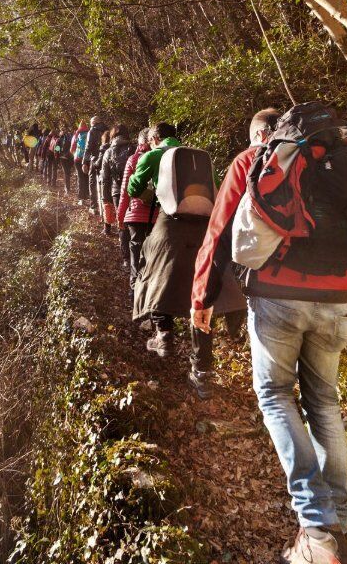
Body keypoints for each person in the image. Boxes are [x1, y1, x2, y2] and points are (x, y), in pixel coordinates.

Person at [191, 106, 347, 564]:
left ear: (264, 133)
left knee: (275, 395)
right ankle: (338, 524)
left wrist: (201, 296)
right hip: (338, 296)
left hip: (278, 295)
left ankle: (315, 527)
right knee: (325, 402)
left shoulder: (255, 159)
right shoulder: (345, 153)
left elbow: (219, 230)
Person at [128, 123, 244, 389]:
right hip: (204, 225)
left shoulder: (153, 154)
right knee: (201, 293)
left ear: (155, 138)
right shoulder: (197, 155)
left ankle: (164, 335)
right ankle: (202, 370)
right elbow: (215, 192)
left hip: (170, 223)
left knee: (154, 274)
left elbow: (134, 188)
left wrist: (156, 198)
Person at [117, 128, 153, 297]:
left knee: (136, 253)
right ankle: (150, 293)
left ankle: (134, 292)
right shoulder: (163, 159)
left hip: (135, 215)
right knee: (152, 255)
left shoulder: (133, 159)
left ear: (139, 142)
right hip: (157, 216)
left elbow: (125, 191)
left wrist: (120, 216)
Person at [102, 124, 136, 256]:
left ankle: (126, 258)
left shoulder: (108, 152)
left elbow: (105, 178)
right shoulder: (133, 148)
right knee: (134, 221)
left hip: (116, 191)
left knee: (121, 221)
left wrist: (106, 198)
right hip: (133, 189)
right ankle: (136, 257)